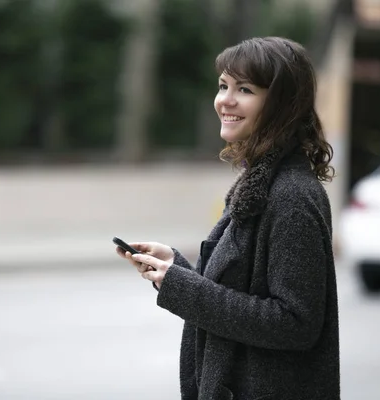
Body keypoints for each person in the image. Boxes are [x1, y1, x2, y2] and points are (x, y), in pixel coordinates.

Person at [115, 36, 340, 400]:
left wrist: (183, 287)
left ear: (282, 104)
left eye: (245, 89)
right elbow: (239, 292)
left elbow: (296, 324)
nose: (225, 100)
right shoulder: (261, 184)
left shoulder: (292, 197)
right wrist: (177, 270)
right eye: (223, 85)